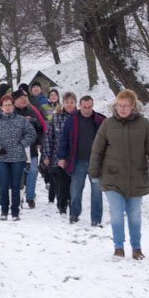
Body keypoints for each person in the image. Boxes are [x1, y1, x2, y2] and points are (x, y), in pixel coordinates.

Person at [90, 89, 149, 259]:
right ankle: (118, 247)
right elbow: (97, 150)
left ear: (133, 107)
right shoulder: (108, 124)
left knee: (134, 214)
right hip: (112, 176)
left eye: (125, 106)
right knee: (116, 212)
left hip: (137, 176)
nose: (122, 109)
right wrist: (94, 172)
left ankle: (136, 248)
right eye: (119, 105)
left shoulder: (143, 124)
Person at [57, 94, 106, 226]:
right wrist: (61, 157)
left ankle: (96, 219)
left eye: (89, 107)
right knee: (75, 190)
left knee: (97, 191)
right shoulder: (72, 120)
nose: (87, 110)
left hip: (96, 162)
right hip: (77, 161)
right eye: (84, 107)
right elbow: (64, 139)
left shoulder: (101, 120)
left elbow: (109, 141)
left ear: (93, 106)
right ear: (80, 106)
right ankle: (74, 214)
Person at [0, 94, 37, 221]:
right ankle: (4, 210)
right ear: (1, 107)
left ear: (13, 106)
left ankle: (15, 211)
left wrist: (22, 144)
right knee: (4, 184)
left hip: (18, 157)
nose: (7, 107)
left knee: (16, 185)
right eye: (5, 105)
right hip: (2, 158)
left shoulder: (21, 120)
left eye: (9, 105)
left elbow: (31, 133)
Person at [42, 91, 77, 212]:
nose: (69, 105)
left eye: (72, 102)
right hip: (58, 156)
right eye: (67, 102)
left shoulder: (79, 116)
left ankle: (73, 206)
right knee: (61, 184)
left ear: (75, 103)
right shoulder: (56, 117)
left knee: (73, 184)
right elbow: (49, 137)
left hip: (74, 156)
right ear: (63, 103)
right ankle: (62, 206)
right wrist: (46, 155)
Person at [13, 92, 47, 209]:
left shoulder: (32, 112)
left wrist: (38, 141)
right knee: (19, 173)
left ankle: (30, 197)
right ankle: (19, 196)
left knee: (33, 171)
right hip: (16, 150)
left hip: (31, 149)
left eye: (25, 98)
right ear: (15, 100)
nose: (24, 100)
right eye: (21, 98)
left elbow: (41, 130)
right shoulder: (11, 113)